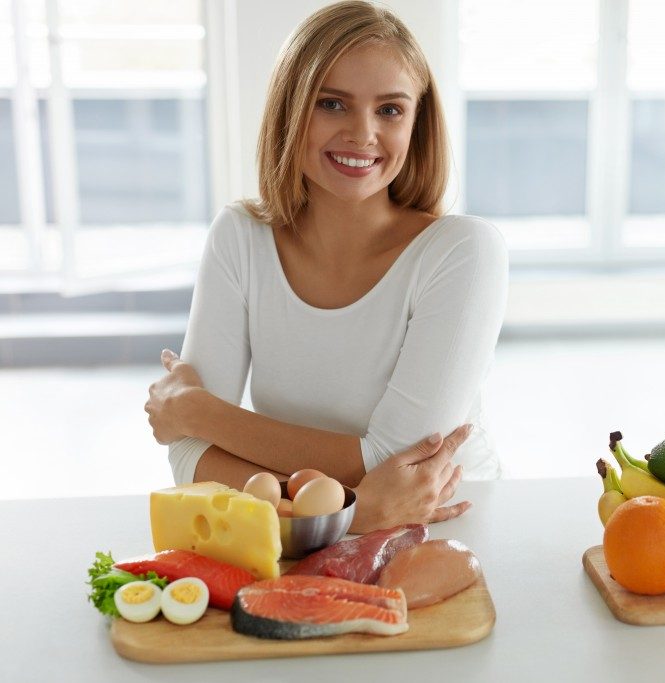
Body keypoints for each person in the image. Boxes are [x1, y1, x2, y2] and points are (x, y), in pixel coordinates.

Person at [143, 1, 508, 534]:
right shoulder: (241, 236)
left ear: (416, 123)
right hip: (299, 542)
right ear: (292, 110)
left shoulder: (462, 250)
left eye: (390, 109)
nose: (362, 134)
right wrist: (359, 512)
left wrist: (197, 411)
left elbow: (395, 460)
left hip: (443, 531)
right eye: (332, 103)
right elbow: (190, 461)